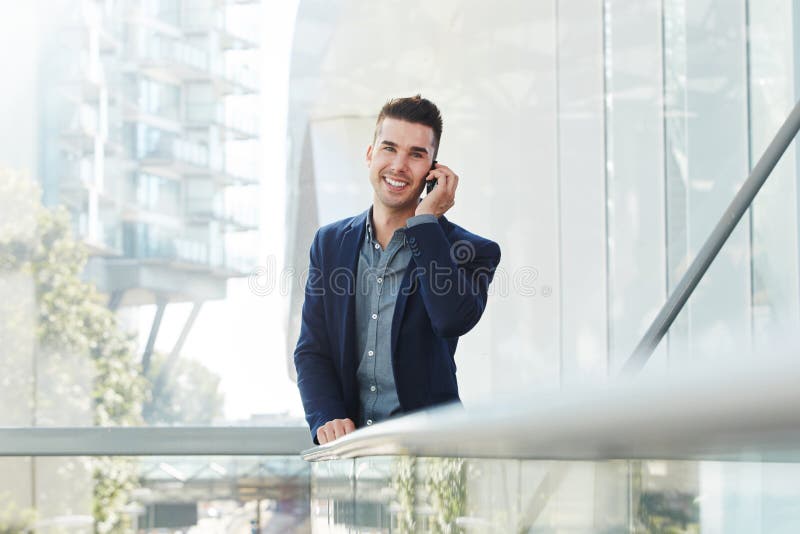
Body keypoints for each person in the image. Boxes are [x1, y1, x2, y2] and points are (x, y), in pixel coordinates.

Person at [294, 95, 501, 445]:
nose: (399, 165)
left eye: (416, 155)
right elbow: (312, 350)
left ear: (434, 171)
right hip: (352, 453)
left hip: (433, 455)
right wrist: (326, 415)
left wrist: (425, 225)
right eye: (389, 148)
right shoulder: (329, 244)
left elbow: (452, 320)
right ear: (370, 154)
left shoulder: (473, 251)